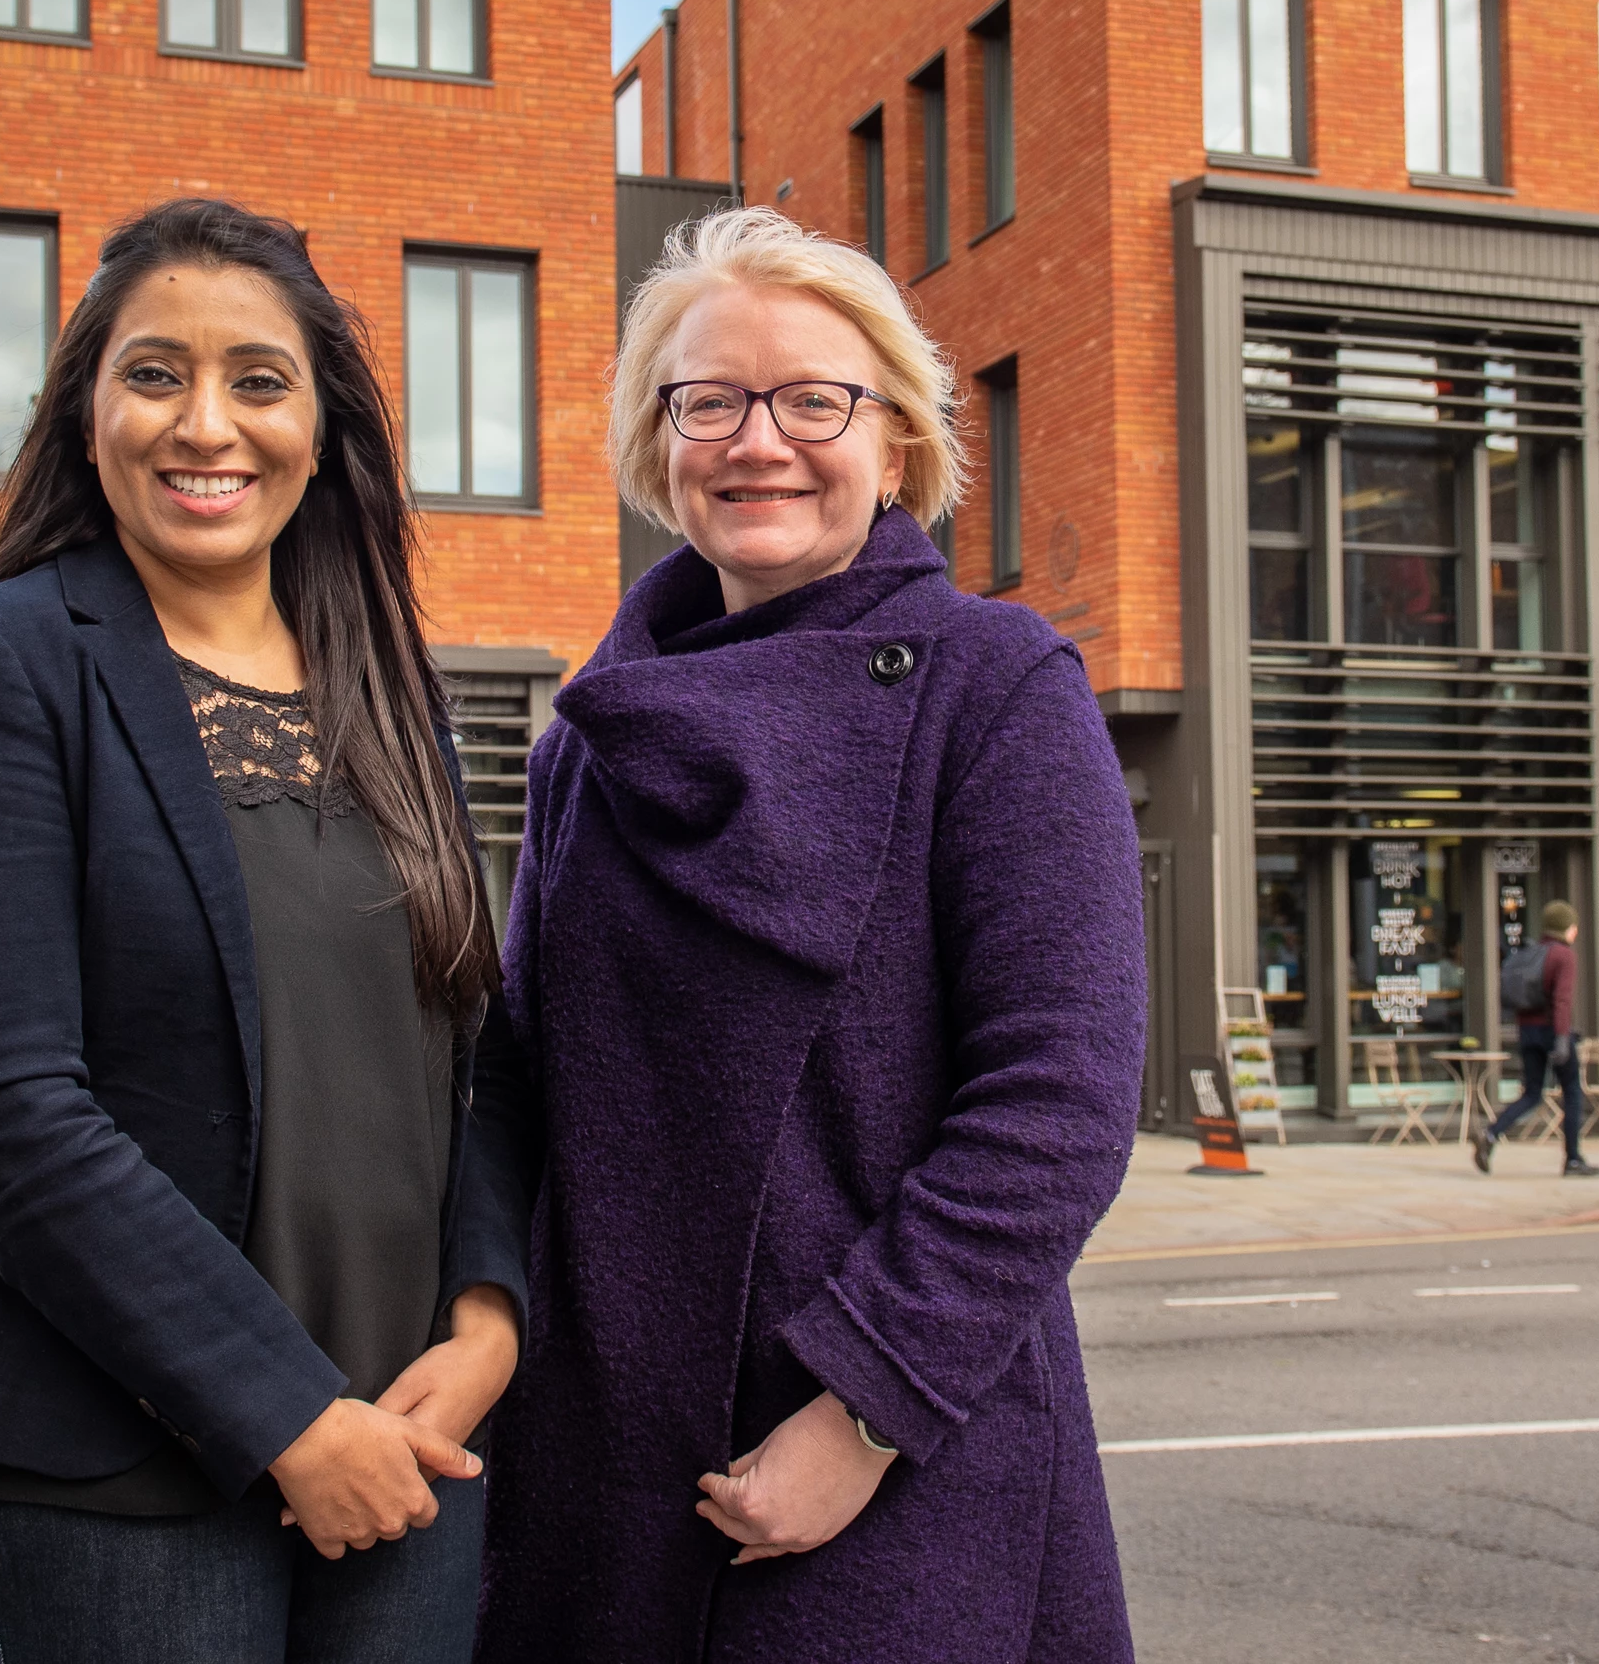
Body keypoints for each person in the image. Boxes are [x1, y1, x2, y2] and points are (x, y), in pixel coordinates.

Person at [0, 197, 533, 1663]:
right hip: (109, 1465)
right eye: (154, 372)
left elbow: (473, 1036)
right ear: (86, 412)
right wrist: (283, 1412)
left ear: (323, 425)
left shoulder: (386, 682)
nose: (205, 423)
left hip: (407, 1431)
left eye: (259, 379)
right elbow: (7, 1107)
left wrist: (488, 1326)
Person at [479, 209, 1145, 1664]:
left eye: (814, 400)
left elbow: (1060, 1102)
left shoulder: (997, 686)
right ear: (660, 449)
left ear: (896, 443)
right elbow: (524, 1084)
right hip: (597, 1468)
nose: (756, 439)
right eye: (707, 399)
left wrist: (864, 1407)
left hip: (884, 1456)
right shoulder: (588, 737)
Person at [1473, 901, 1599, 1179]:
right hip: (1552, 1031)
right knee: (1572, 1094)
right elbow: (1562, 1000)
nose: (1575, 931)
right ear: (1566, 928)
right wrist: (1562, 1038)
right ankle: (1573, 1159)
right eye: (1573, 926)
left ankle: (1492, 1133)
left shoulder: (1533, 952)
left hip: (1527, 1031)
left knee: (1531, 1093)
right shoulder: (1563, 956)